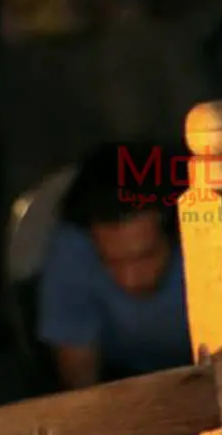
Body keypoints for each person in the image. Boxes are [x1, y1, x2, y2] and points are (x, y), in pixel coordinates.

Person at [37, 144, 192, 390]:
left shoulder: (213, 237)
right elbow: (81, 384)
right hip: (120, 382)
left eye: (145, 256)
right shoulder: (72, 248)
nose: (130, 280)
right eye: (111, 261)